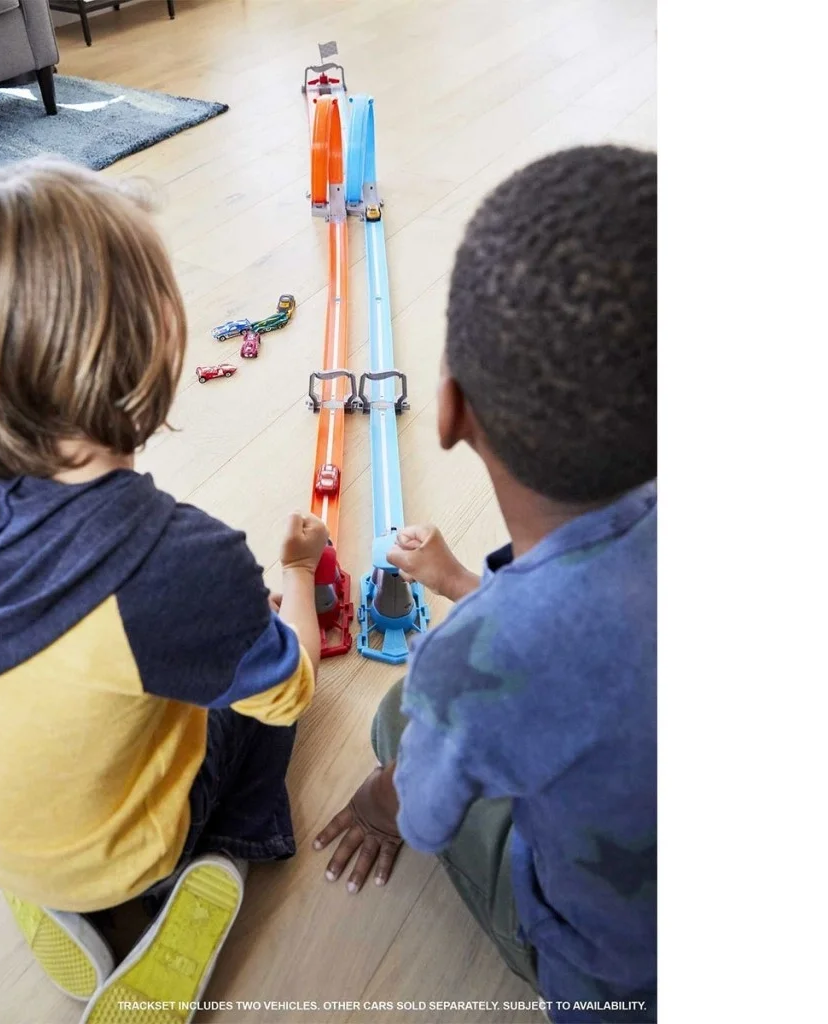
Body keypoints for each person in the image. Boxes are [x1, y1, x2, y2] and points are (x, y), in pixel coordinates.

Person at [0, 157, 329, 1023]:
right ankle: (220, 858)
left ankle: (46, 887)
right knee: (260, 703)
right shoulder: (181, 562)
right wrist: (294, 571)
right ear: (154, 348)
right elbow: (292, 690)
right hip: (126, 854)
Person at [314, 146, 657, 1024]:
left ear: (452, 410)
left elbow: (425, 812)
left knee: (400, 715)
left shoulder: (468, 660)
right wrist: (466, 580)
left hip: (621, 978)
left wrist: (377, 802)